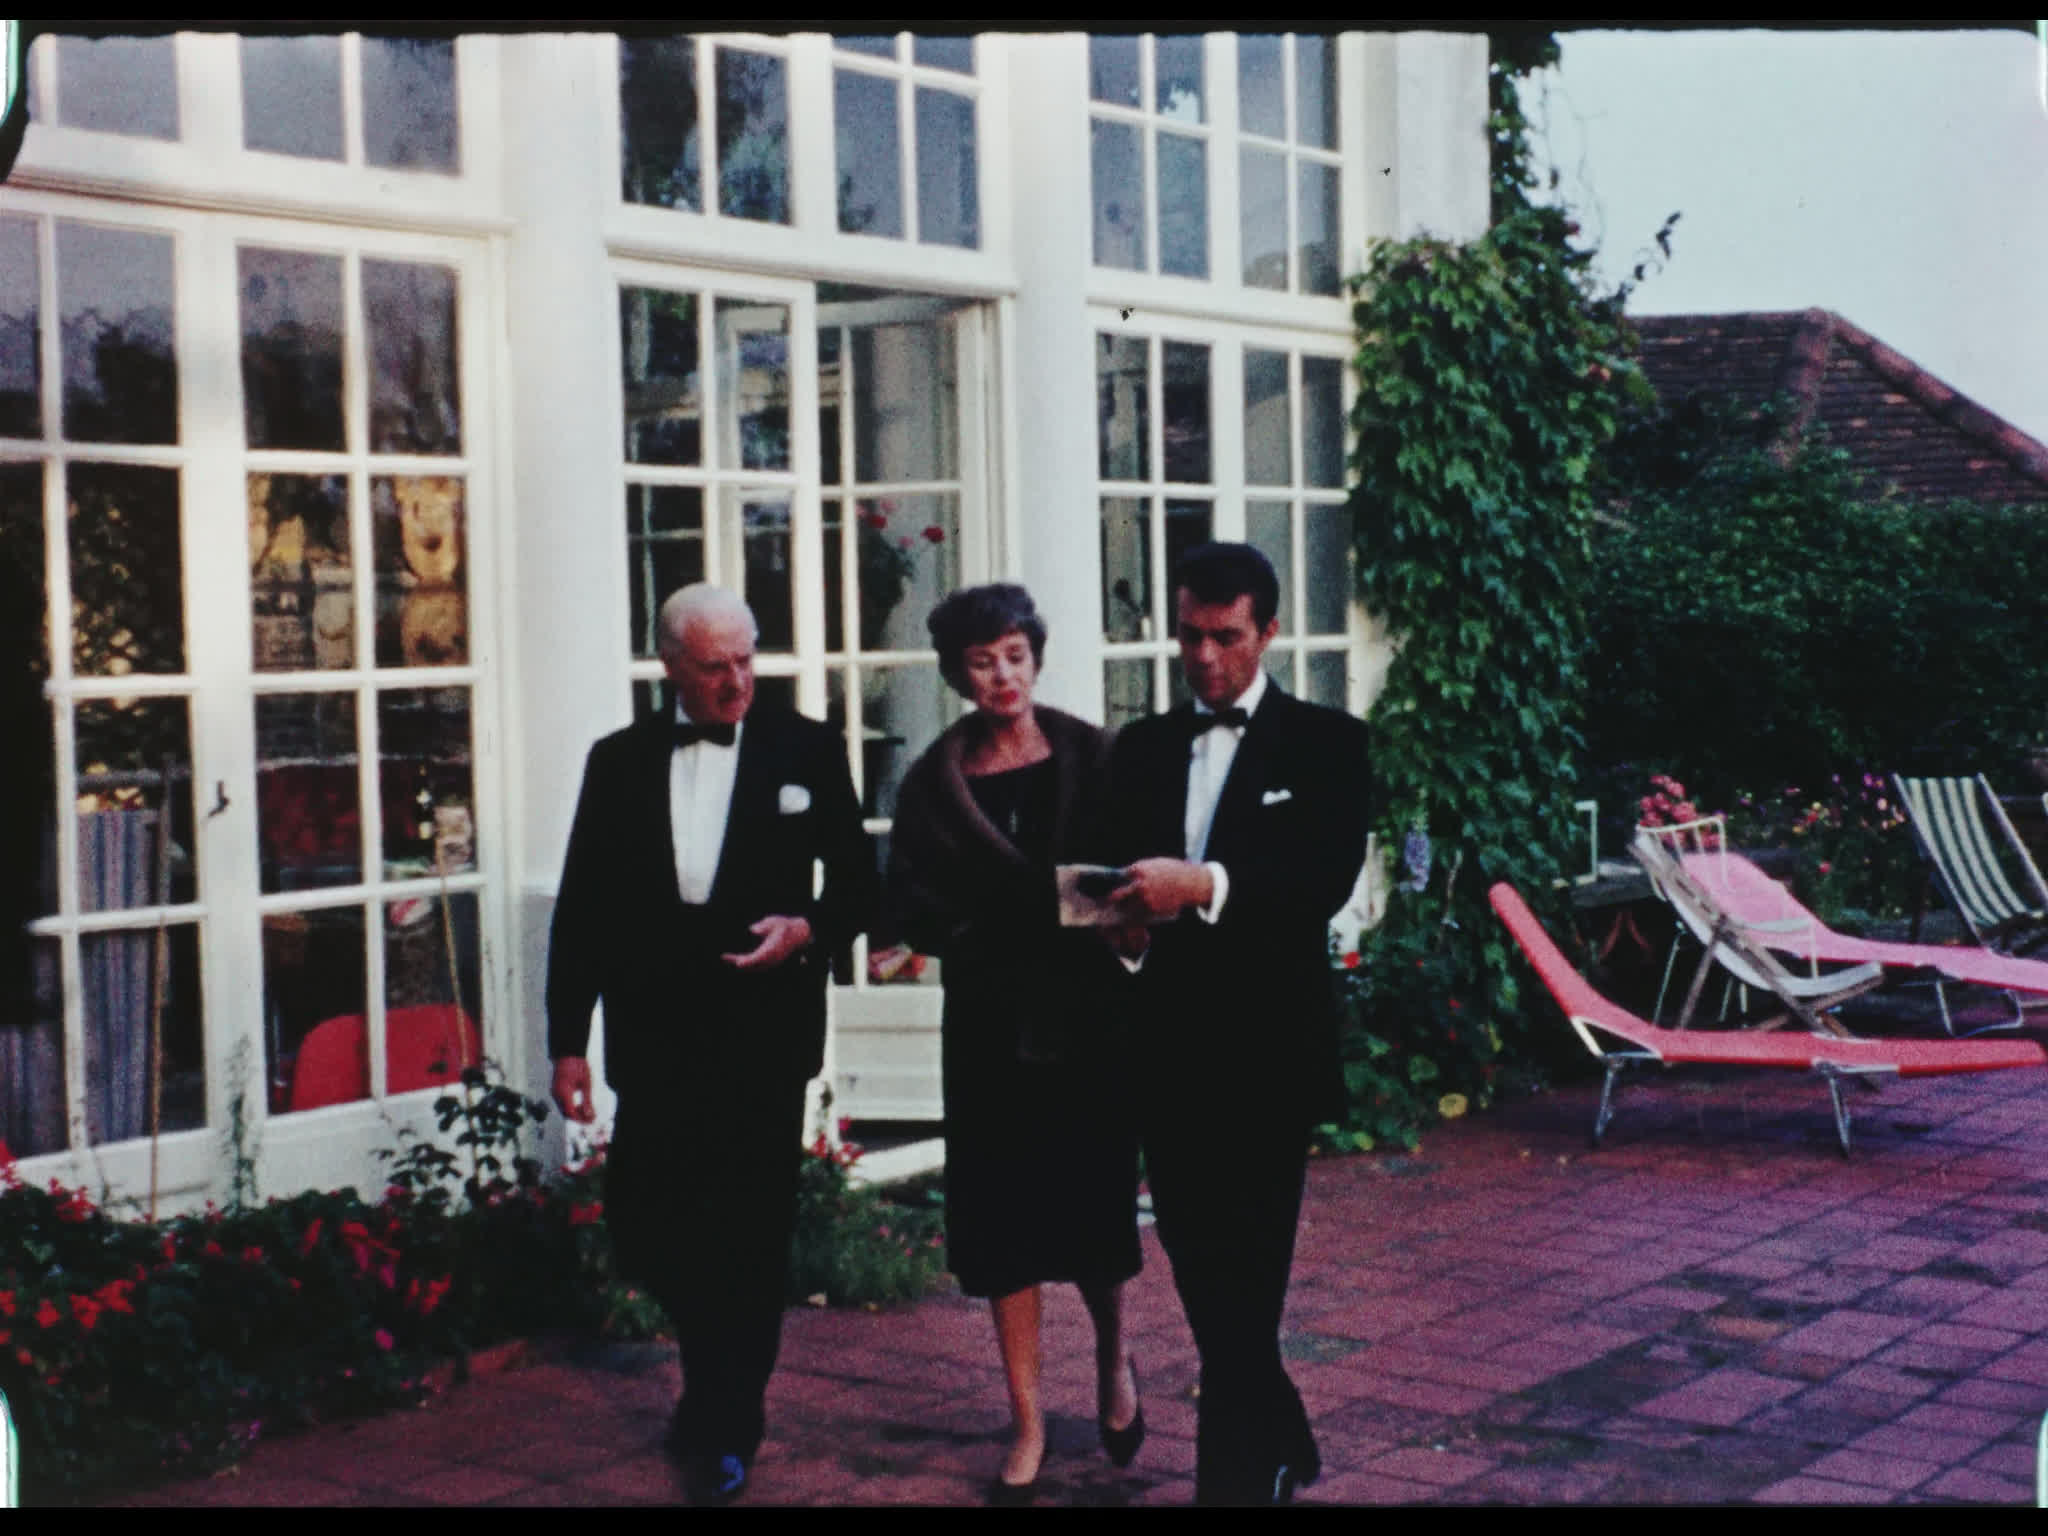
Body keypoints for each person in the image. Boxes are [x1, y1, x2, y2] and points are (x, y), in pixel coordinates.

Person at [545, 583, 875, 1506]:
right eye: (713, 667)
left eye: (746, 660)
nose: (737, 683)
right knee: (656, 1225)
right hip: (655, 1034)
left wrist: (806, 929)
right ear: (670, 669)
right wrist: (567, 1042)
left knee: (748, 1232)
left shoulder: (805, 746)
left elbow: (859, 886)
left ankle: (730, 1416)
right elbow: (583, 909)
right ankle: (708, 1382)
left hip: (762, 1031)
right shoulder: (618, 762)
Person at [1099, 543, 1371, 1507]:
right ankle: (1285, 1431)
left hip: (1267, 1053)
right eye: (1189, 636)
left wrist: (1202, 886)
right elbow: (1110, 894)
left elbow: (1319, 882)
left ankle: (1237, 1482)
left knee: (1250, 1269)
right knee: (1200, 1262)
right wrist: (1122, 921)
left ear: (1268, 632)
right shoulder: (1139, 750)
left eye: (1226, 637)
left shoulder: (1331, 744)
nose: (1204, 657)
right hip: (1165, 1054)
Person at [886, 584, 1144, 1504]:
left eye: (1015, 655)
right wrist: (976, 929)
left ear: (1036, 656)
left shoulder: (1094, 756)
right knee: (1003, 1230)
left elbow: (1130, 876)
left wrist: (1065, 910)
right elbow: (909, 901)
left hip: (1087, 1023)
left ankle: (1116, 1362)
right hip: (992, 1028)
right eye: (982, 660)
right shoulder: (932, 782)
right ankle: (1028, 1416)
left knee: (1095, 1216)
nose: (1002, 674)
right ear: (959, 673)